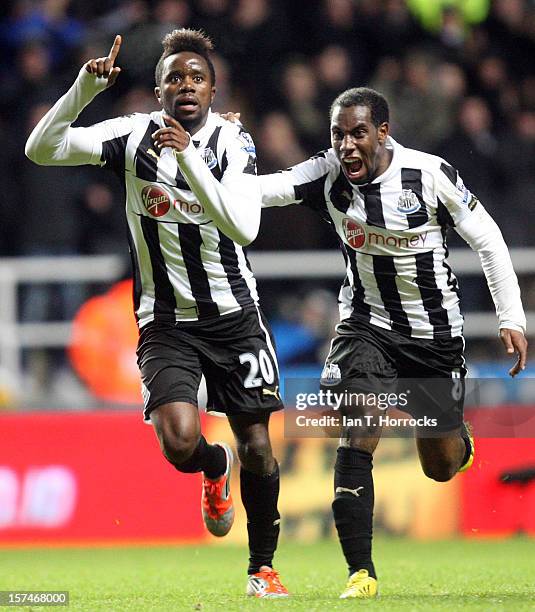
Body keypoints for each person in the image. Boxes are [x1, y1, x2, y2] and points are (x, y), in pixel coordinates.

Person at [25, 29, 289, 599]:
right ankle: (213, 467)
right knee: (177, 442)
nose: (186, 85)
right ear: (158, 89)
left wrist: (188, 158)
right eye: (175, 77)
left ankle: (262, 569)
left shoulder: (232, 143)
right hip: (165, 321)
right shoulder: (131, 135)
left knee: (260, 447)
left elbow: (244, 228)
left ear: (213, 90)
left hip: (234, 316)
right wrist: (81, 91)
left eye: (197, 77)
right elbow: (40, 150)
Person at [257, 87, 528, 599]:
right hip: (365, 326)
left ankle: (458, 440)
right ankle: (361, 572)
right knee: (358, 428)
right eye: (339, 134)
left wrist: (510, 316)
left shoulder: (428, 174)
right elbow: (262, 191)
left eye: (359, 133)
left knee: (441, 465)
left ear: (383, 131)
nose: (348, 146)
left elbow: (487, 239)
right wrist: (200, 160)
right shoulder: (326, 173)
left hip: (433, 338)